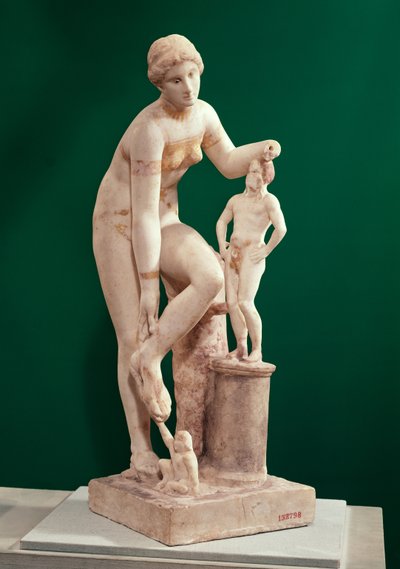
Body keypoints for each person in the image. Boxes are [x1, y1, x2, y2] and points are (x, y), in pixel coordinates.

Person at [93, 34, 281, 478]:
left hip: (163, 218)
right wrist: (149, 286)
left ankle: (151, 356)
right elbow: (140, 215)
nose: (188, 87)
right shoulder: (149, 130)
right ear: (160, 84)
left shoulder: (204, 114)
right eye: (176, 80)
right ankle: (140, 449)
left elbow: (229, 161)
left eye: (192, 75)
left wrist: (263, 149)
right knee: (131, 334)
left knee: (211, 277)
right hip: (120, 224)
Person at [216, 158, 286, 362]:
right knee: (232, 303)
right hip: (234, 253)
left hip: (252, 254)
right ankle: (241, 347)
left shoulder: (269, 201)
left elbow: (281, 228)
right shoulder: (236, 200)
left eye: (255, 172)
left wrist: (267, 250)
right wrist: (222, 245)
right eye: (250, 171)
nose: (250, 175)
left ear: (265, 177)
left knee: (245, 302)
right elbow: (222, 221)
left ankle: (257, 349)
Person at [155, 422, 200, 495]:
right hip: (175, 477)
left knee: (170, 484)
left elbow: (194, 478)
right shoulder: (176, 452)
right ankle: (166, 479)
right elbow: (167, 438)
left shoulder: (188, 457)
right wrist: (160, 424)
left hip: (185, 483)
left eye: (177, 440)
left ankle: (169, 488)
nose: (174, 442)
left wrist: (194, 490)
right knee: (162, 462)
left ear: (184, 442)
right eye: (175, 439)